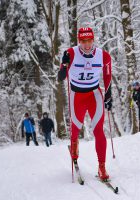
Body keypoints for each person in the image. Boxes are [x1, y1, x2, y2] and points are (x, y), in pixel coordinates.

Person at [58, 27, 112, 181]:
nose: (87, 45)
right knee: (75, 129)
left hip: (94, 95)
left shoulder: (103, 56)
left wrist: (109, 94)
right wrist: (64, 64)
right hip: (77, 96)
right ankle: (74, 151)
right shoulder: (71, 53)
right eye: (83, 42)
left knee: (99, 130)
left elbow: (108, 76)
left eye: (89, 41)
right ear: (79, 41)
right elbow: (61, 77)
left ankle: (102, 166)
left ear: (93, 40)